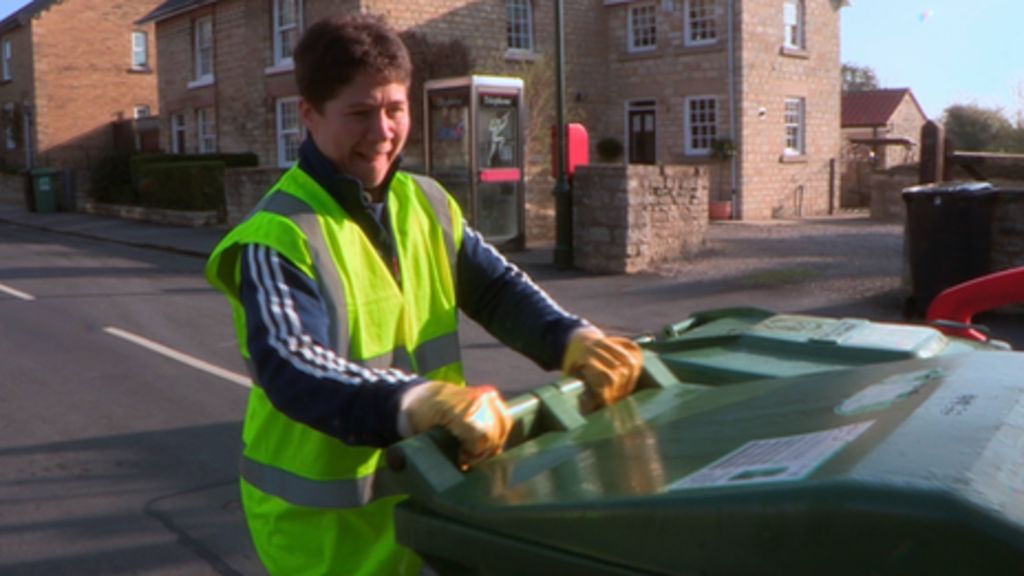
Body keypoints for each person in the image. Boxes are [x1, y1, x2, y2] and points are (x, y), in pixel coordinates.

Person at [205, 13, 644, 576]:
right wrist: (417, 403)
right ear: (309, 116)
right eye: (360, 113)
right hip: (325, 535)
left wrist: (574, 339)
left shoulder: (427, 204)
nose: (383, 131)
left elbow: (497, 289)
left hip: (428, 497)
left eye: (395, 109)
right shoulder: (277, 236)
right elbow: (294, 365)